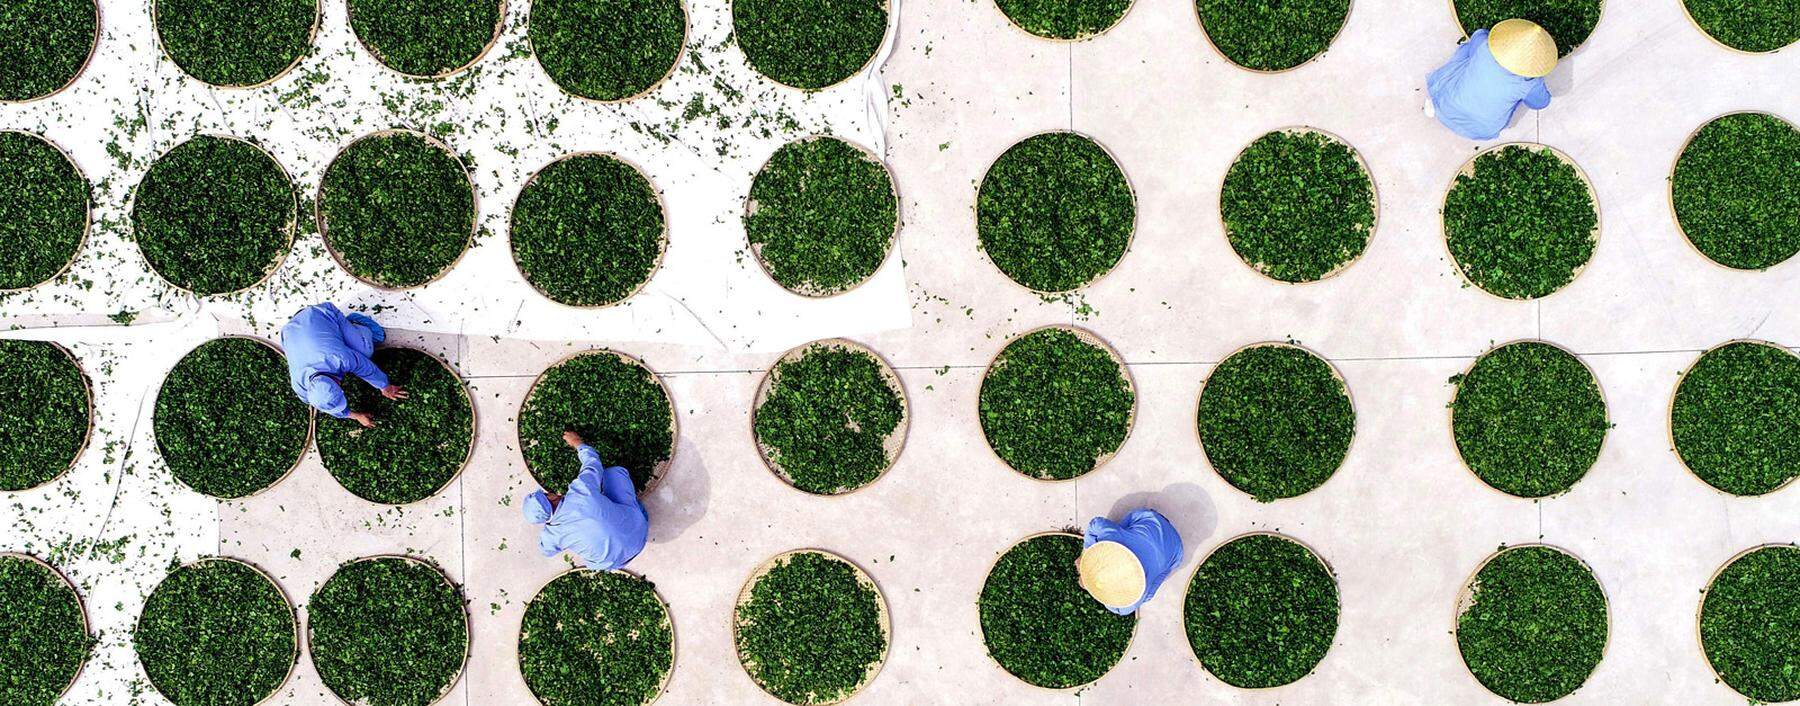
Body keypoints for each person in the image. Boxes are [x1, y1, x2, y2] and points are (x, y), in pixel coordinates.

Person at [524, 431, 649, 571]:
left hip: (614, 563)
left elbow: (545, 551)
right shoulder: (581, 490)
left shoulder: (553, 535)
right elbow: (593, 463)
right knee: (613, 473)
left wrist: (551, 528)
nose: (550, 493)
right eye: (547, 495)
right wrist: (577, 442)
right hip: (639, 532)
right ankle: (638, 513)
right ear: (551, 498)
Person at [1426, 18, 1558, 141]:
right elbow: (1541, 103)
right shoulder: (1530, 83)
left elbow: (1478, 34)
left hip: (1446, 104)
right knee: (1516, 97)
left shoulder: (1485, 48)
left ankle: (1435, 108)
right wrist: (1537, 81)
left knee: (1467, 54)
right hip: (1482, 129)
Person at [279, 302, 406, 428]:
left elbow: (366, 368)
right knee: (346, 350)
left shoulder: (338, 359)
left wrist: (385, 386)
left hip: (321, 314)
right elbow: (325, 405)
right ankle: (344, 332)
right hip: (289, 331)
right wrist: (356, 416)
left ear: (338, 385)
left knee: (365, 350)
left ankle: (356, 323)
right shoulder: (300, 388)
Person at [1076, 508, 1183, 615]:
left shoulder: (1140, 593)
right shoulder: (1113, 537)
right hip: (1153, 520)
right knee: (1127, 528)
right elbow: (1095, 523)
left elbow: (1119, 609)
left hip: (1175, 549)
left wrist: (1092, 587)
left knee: (1160, 572)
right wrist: (1085, 553)